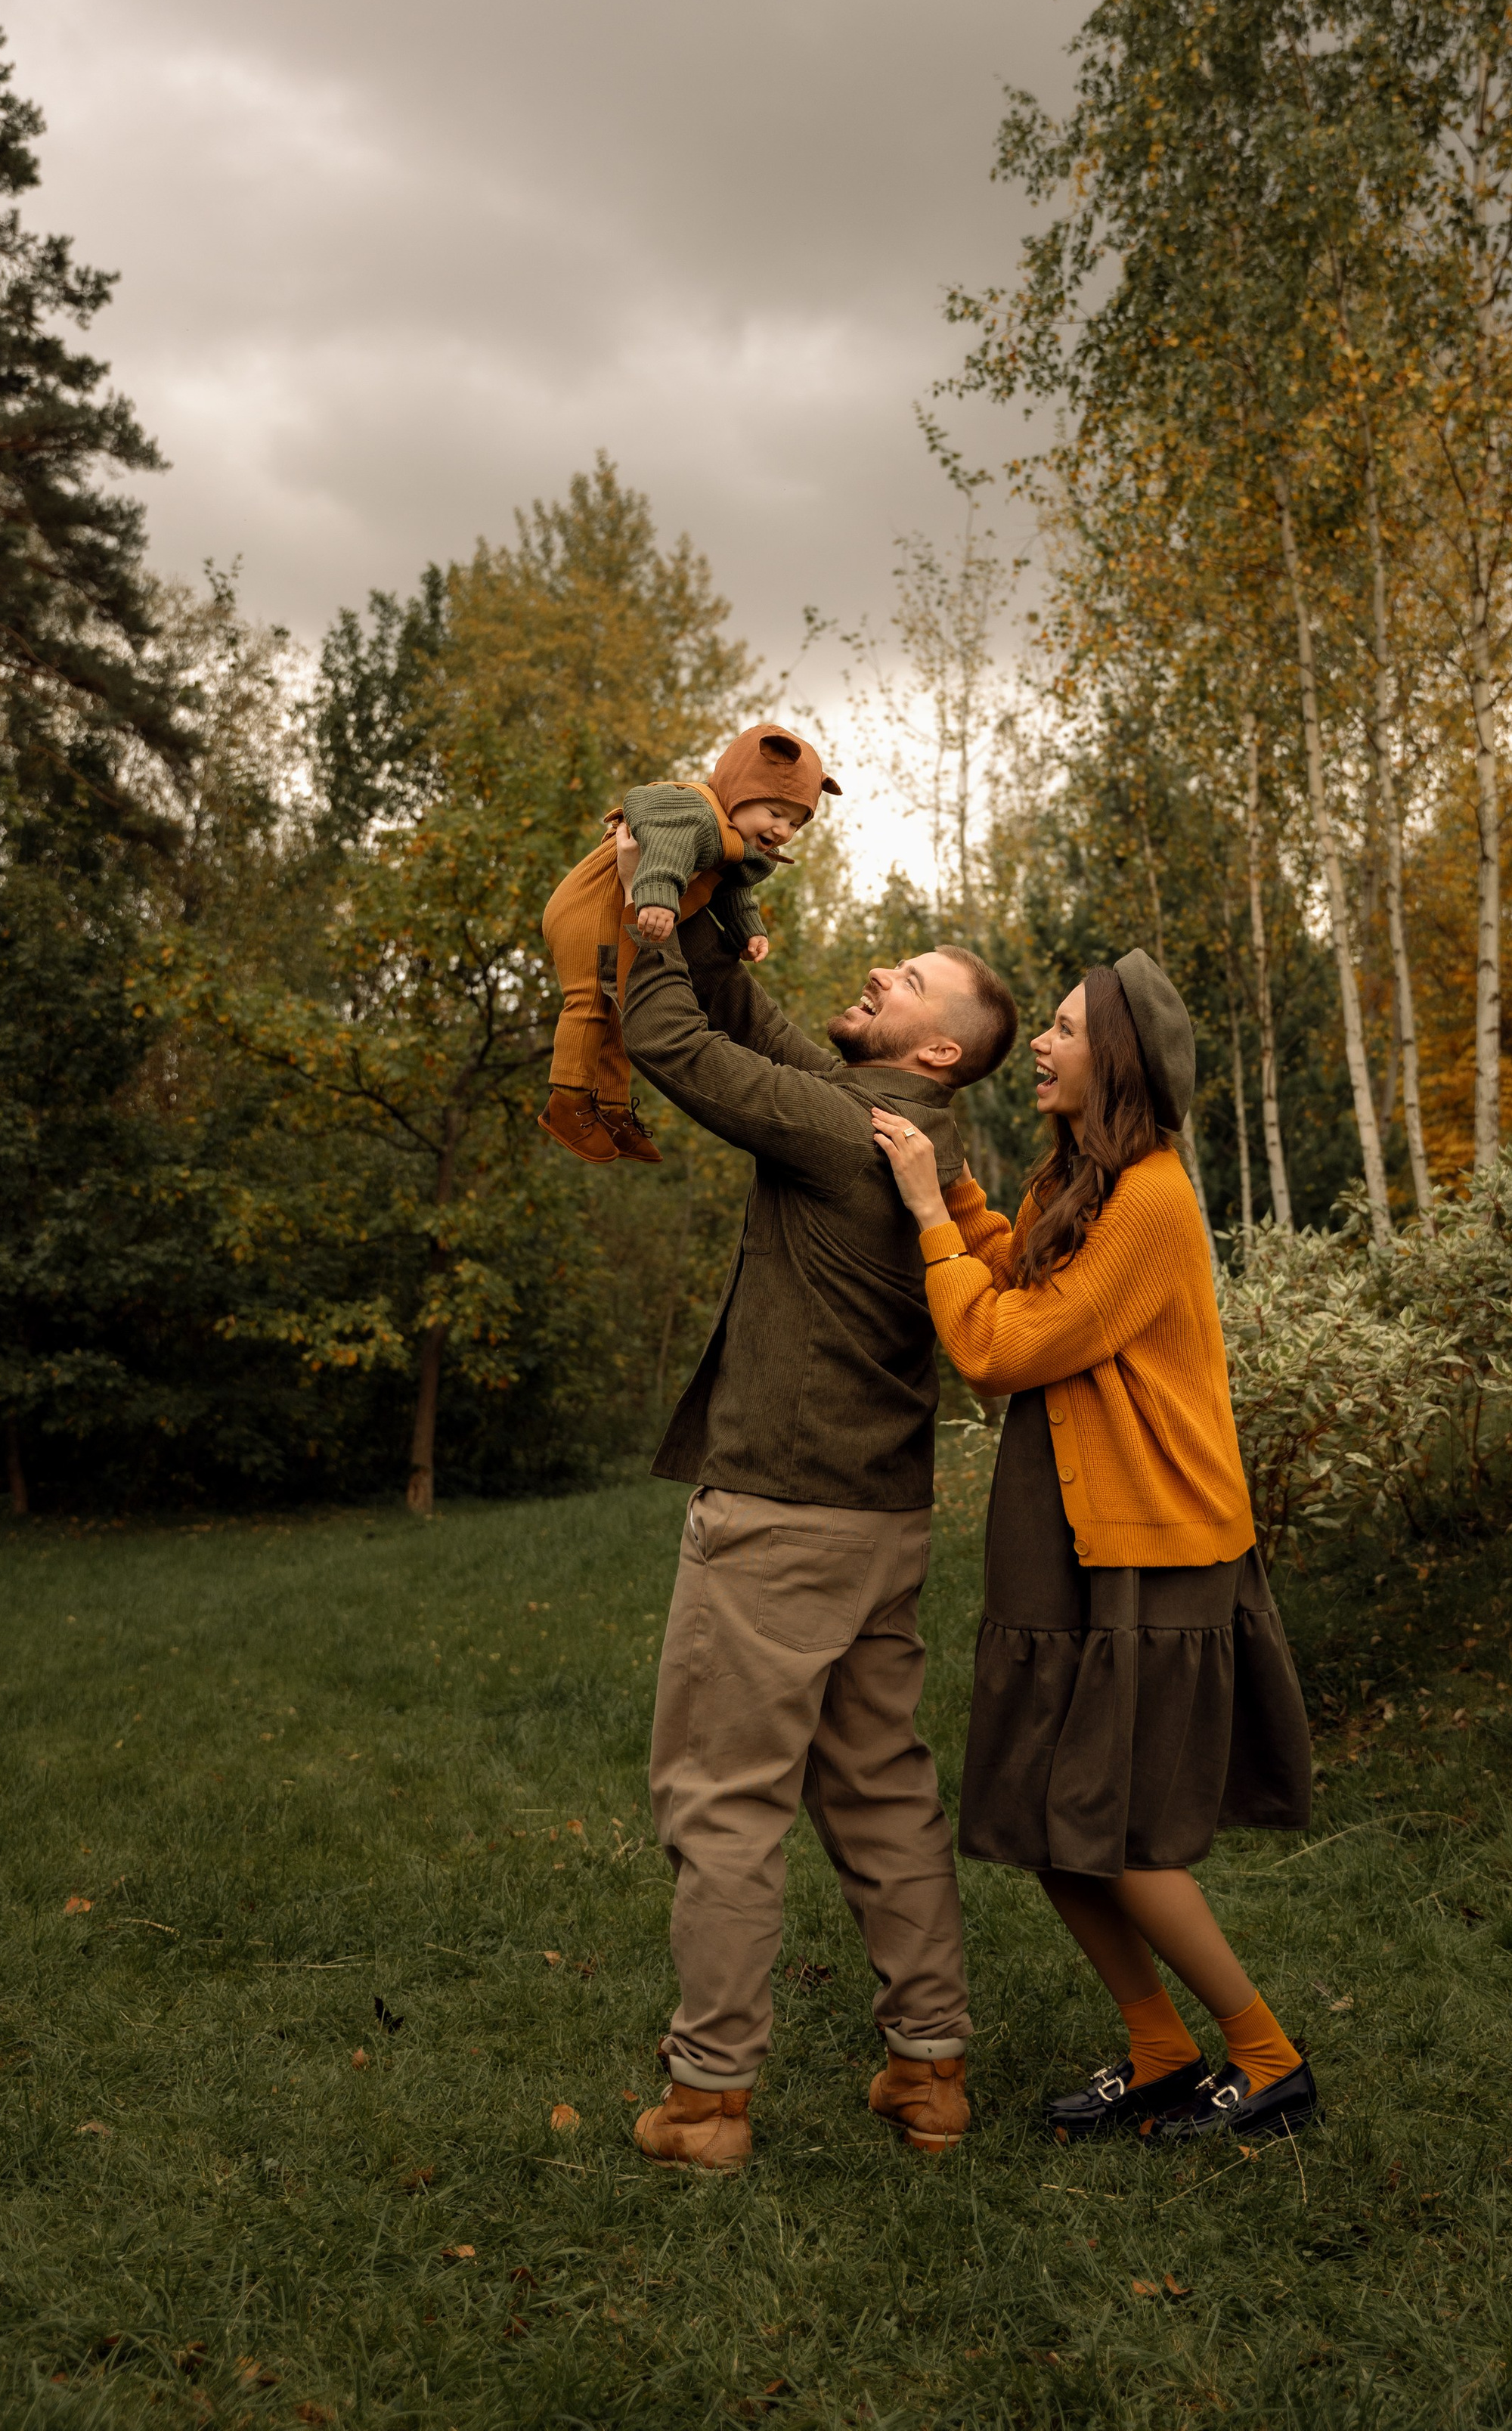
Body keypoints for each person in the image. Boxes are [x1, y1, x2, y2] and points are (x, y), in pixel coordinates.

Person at [871, 950, 1318, 2147]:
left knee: (1107, 1822)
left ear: (1113, 1058)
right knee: (1042, 1816)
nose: (1048, 1048)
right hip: (1061, 1534)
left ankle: (1267, 2057)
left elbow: (1005, 1344)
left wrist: (923, 1216)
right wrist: (955, 1188)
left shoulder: (1153, 1199)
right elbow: (1012, 1268)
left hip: (1152, 1542)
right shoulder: (1080, 1185)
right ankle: (1161, 2048)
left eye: (1065, 1030)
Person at [614, 874, 1019, 2171]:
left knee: (724, 1803)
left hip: (783, 1518)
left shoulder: (839, 1129)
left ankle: (709, 2101)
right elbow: (762, 1028)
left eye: (906, 977)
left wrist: (654, 928)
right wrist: (723, 937)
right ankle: (930, 2074)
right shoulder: (917, 1137)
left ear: (940, 1047)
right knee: (884, 1794)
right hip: (883, 1523)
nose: (880, 974)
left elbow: (675, 1043)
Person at [538, 721, 841, 1166]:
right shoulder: (692, 812)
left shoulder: (730, 840)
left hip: (622, 911)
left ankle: (612, 1109)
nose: (785, 830)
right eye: (776, 812)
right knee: (588, 1002)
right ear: (740, 789)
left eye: (797, 822)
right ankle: (566, 1102)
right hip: (589, 908)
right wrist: (657, 897)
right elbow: (661, 852)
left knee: (618, 1011)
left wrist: (748, 931)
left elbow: (732, 891)